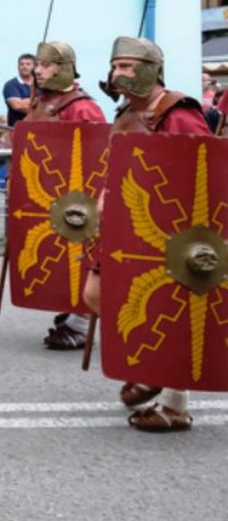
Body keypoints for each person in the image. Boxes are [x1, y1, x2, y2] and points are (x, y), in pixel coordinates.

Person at [84, 36, 210, 433]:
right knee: (95, 294)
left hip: (167, 232)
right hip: (126, 228)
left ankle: (175, 404)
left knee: (168, 309)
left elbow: (202, 174)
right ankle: (148, 365)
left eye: (126, 66)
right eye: (115, 66)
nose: (117, 73)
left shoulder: (178, 113)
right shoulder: (127, 113)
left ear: (152, 68)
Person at [19, 41, 108, 353]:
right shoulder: (41, 103)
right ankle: (72, 307)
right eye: (37, 64)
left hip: (78, 203)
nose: (37, 70)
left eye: (44, 65)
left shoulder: (83, 108)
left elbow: (97, 159)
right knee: (54, 257)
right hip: (48, 198)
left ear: (62, 67)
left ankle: (82, 322)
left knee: (82, 256)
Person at [3, 53, 36, 126]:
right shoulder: (11, 85)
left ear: (34, 67)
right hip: (18, 129)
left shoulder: (40, 85)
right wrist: (39, 104)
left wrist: (25, 101)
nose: (24, 66)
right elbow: (17, 105)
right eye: (22, 64)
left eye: (28, 64)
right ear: (18, 67)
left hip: (38, 129)